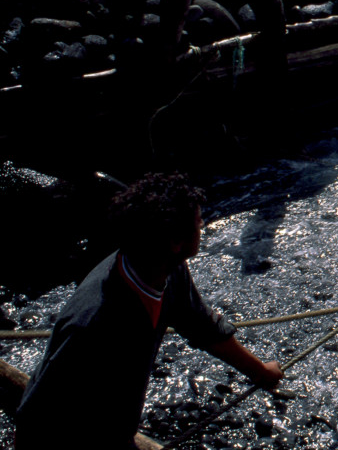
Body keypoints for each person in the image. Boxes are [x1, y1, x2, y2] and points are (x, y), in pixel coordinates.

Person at [16, 174, 283, 450]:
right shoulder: (94, 324)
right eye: (198, 222)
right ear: (175, 241)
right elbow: (36, 417)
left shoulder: (165, 268)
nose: (203, 226)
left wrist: (260, 371)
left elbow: (203, 327)